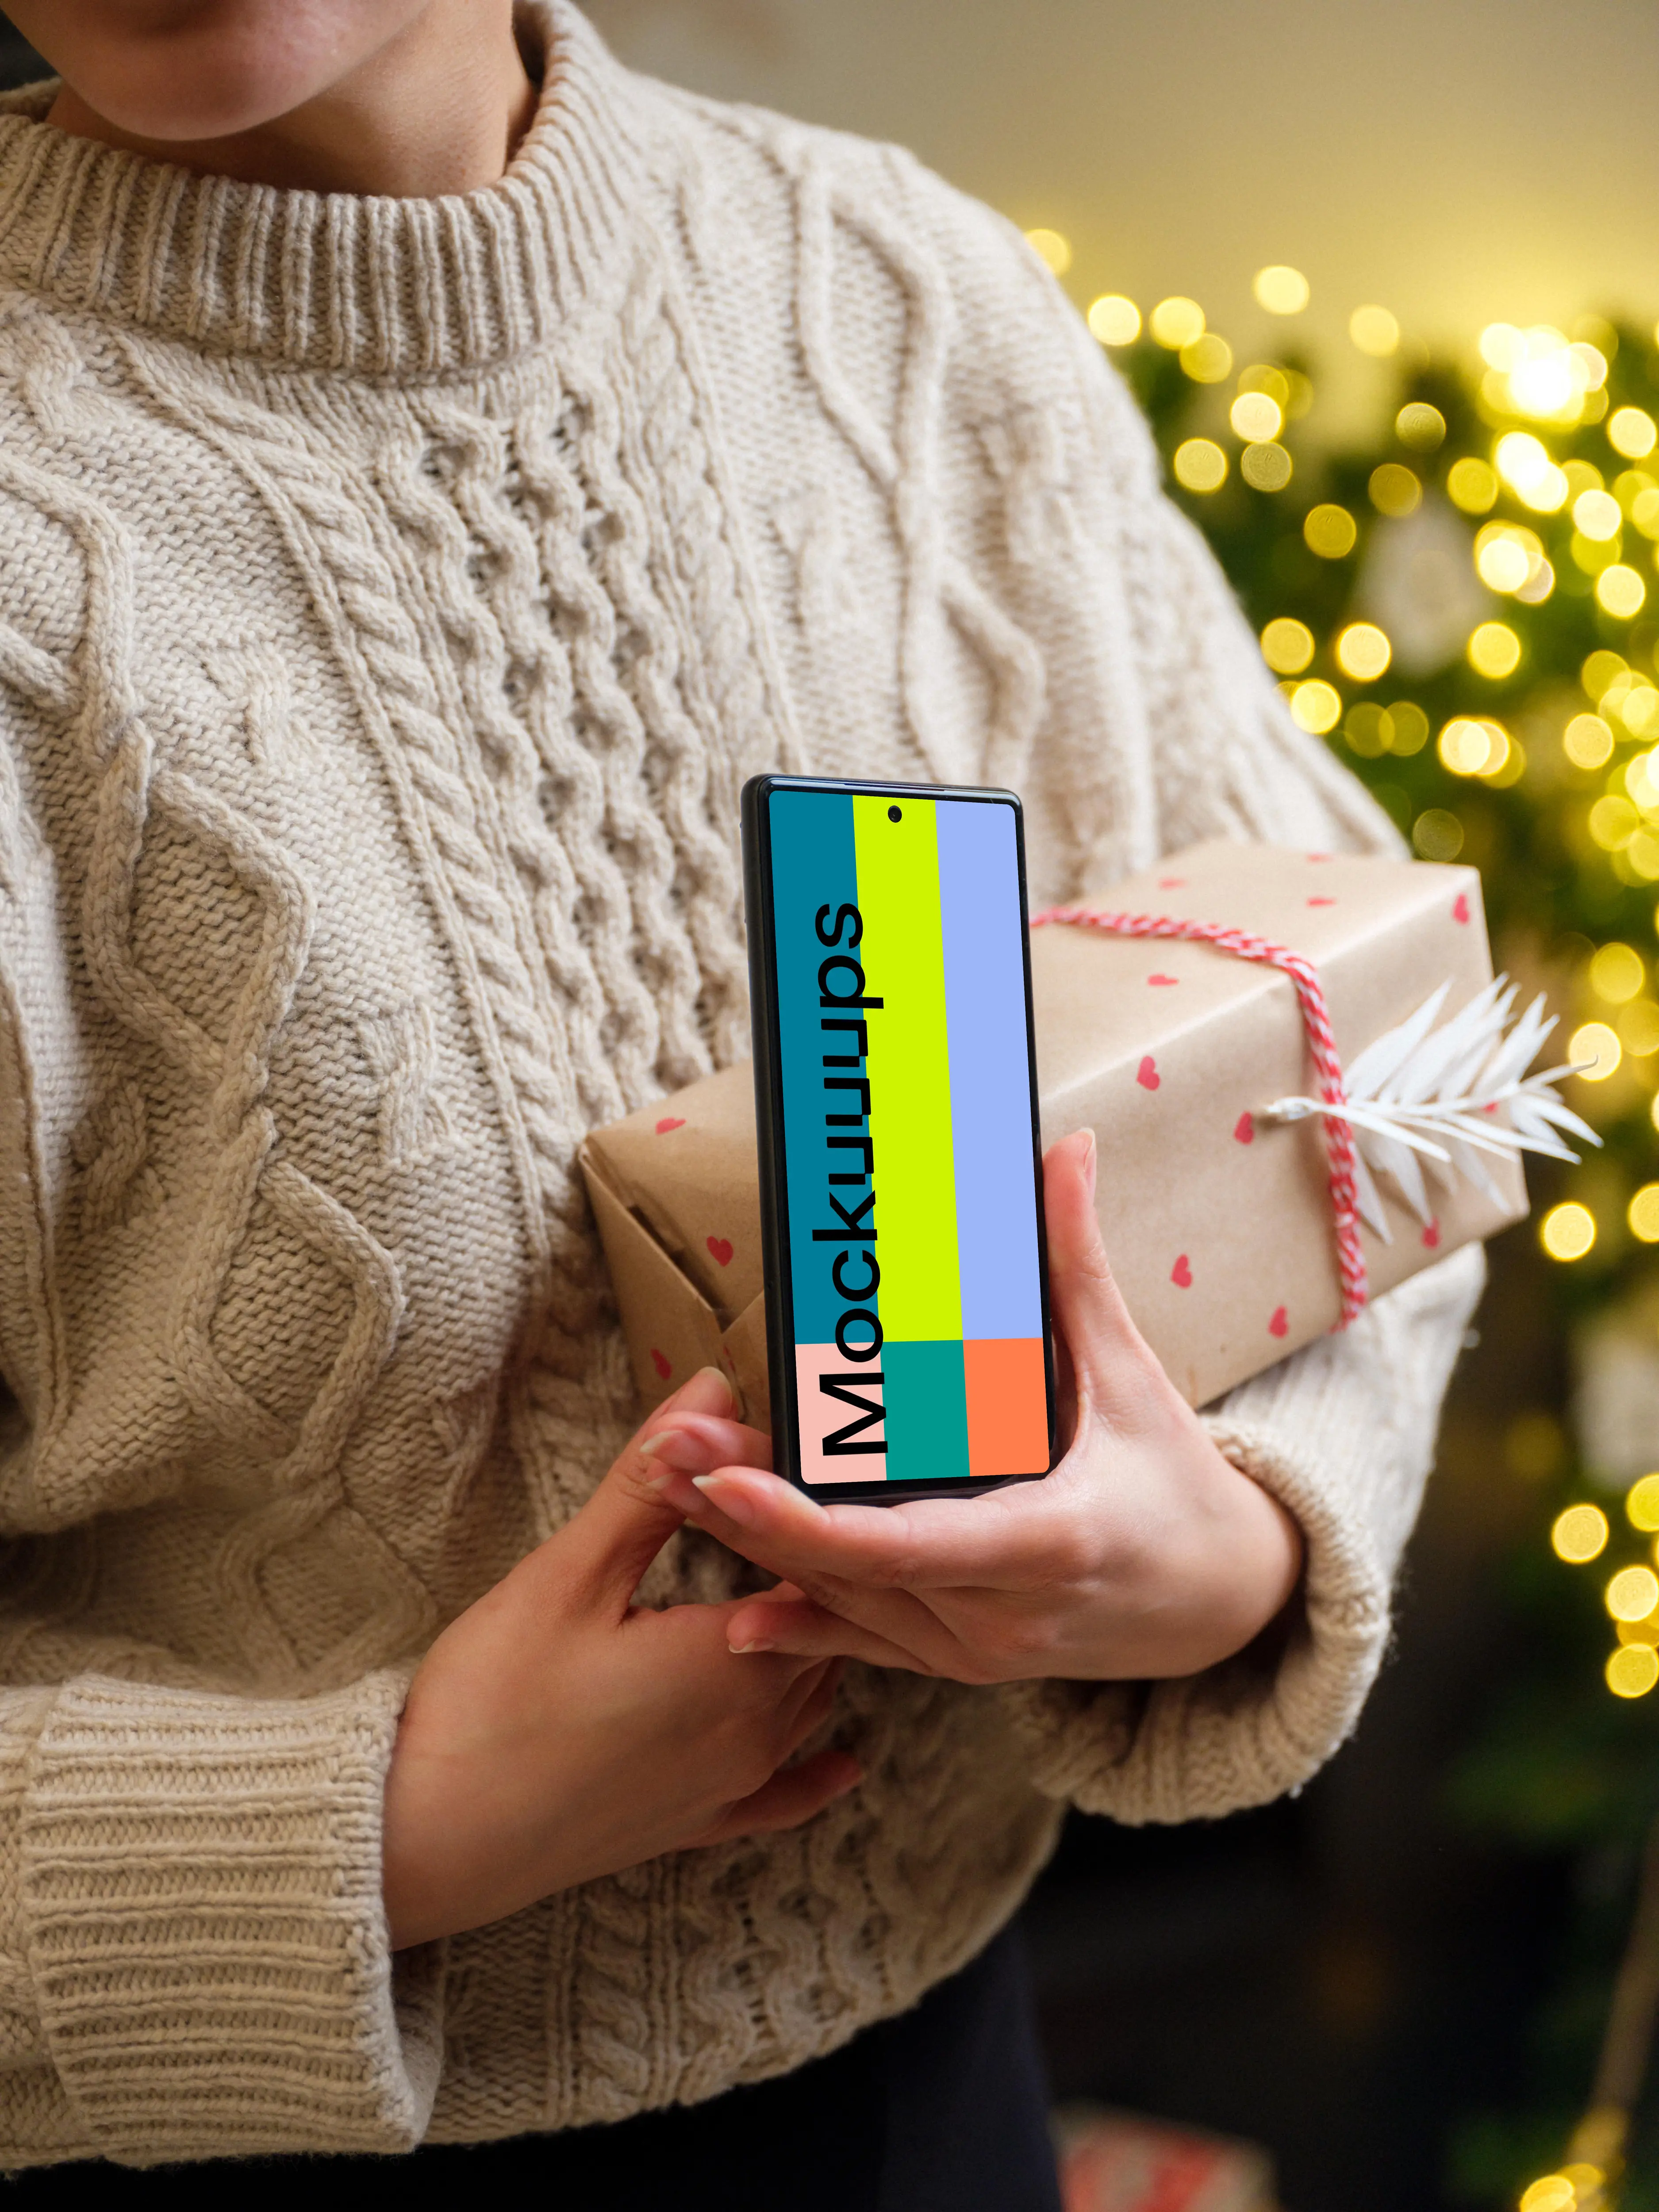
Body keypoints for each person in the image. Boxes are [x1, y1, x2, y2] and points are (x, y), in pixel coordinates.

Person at [0, 0, 1482, 2197]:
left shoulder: (908, 306)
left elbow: (1398, 1075)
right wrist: (380, 1828)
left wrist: (1242, 1534)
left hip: (943, 2092)